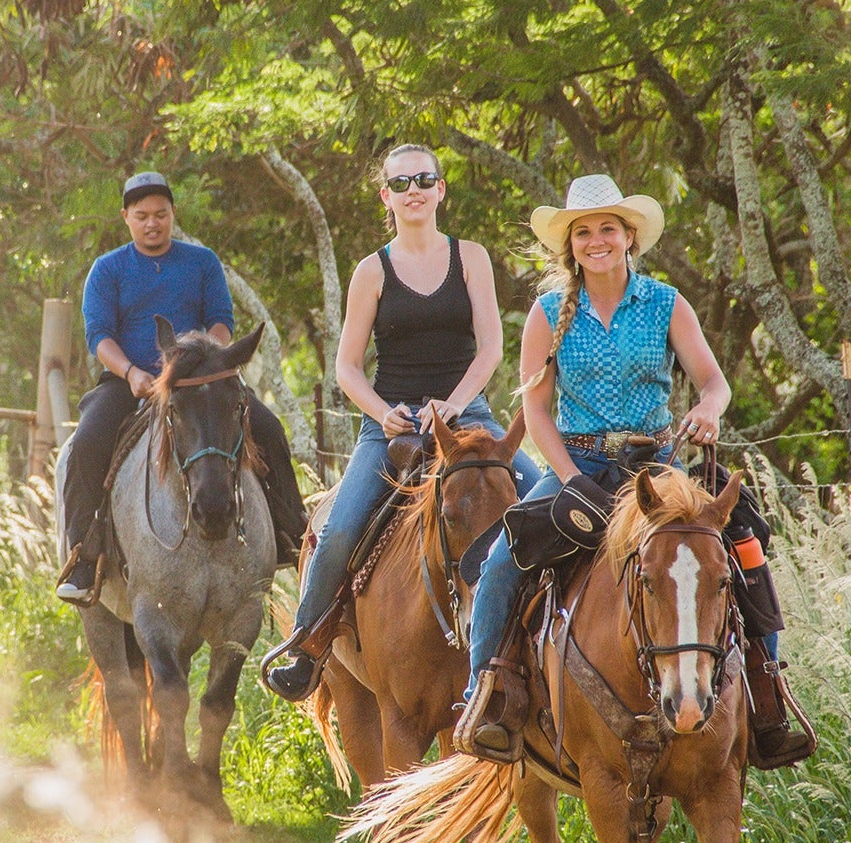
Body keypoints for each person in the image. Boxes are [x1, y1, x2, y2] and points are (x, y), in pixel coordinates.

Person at [458, 173, 812, 765]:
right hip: (580, 463)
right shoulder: (547, 315)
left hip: (658, 466)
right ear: (570, 245)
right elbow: (537, 411)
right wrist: (568, 476)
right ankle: (487, 697)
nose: (596, 241)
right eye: (584, 232)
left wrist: (706, 409)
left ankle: (766, 693)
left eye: (608, 229)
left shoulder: (666, 303)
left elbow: (714, 381)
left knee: (744, 548)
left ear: (629, 238)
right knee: (501, 560)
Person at [263, 144, 540, 702]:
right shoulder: (373, 270)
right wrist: (381, 412)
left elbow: (490, 349)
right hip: (391, 425)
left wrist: (454, 405)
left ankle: (550, 638)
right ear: (386, 196)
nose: (414, 189)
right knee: (339, 529)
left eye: (424, 179)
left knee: (541, 500)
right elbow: (346, 366)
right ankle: (308, 645)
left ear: (441, 189)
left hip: (468, 417)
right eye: (401, 182)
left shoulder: (471, 258)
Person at [56, 171, 308, 604]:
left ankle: (292, 532)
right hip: (130, 382)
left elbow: (221, 323)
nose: (152, 223)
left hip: (200, 381)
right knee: (87, 442)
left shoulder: (202, 262)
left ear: (173, 214)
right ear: (126, 218)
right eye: (142, 216)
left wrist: (211, 362)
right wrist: (132, 372)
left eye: (161, 214)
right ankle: (84, 554)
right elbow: (99, 336)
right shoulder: (108, 269)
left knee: (268, 428)